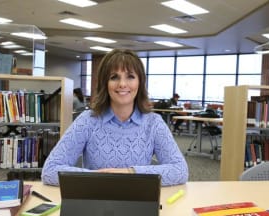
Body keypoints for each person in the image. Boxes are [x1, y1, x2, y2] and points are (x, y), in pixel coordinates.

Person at [41, 49, 189, 186]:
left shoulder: (153, 123)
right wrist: (99, 178)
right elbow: (50, 171)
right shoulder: (88, 120)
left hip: (138, 203)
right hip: (96, 203)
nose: (122, 84)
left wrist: (130, 173)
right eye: (114, 77)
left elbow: (180, 170)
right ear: (105, 83)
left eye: (130, 77)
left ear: (140, 82)